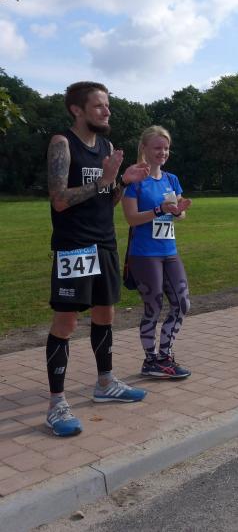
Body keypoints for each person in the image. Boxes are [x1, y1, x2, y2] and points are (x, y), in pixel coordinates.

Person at [45, 81, 150, 437]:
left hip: (105, 242)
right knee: (67, 322)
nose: (107, 111)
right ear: (77, 110)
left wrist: (123, 182)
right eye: (99, 106)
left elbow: (108, 199)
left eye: (107, 105)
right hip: (74, 245)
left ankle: (105, 383)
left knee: (106, 314)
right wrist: (104, 179)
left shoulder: (105, 146)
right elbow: (59, 199)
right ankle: (56, 404)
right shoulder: (63, 143)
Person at [122, 126, 193, 379]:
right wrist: (160, 210)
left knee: (182, 304)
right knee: (153, 306)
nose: (163, 152)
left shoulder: (171, 179)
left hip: (169, 251)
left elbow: (180, 214)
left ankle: (165, 355)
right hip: (144, 254)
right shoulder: (134, 181)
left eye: (166, 148)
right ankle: (151, 361)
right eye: (157, 148)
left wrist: (178, 211)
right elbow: (131, 218)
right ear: (144, 149)